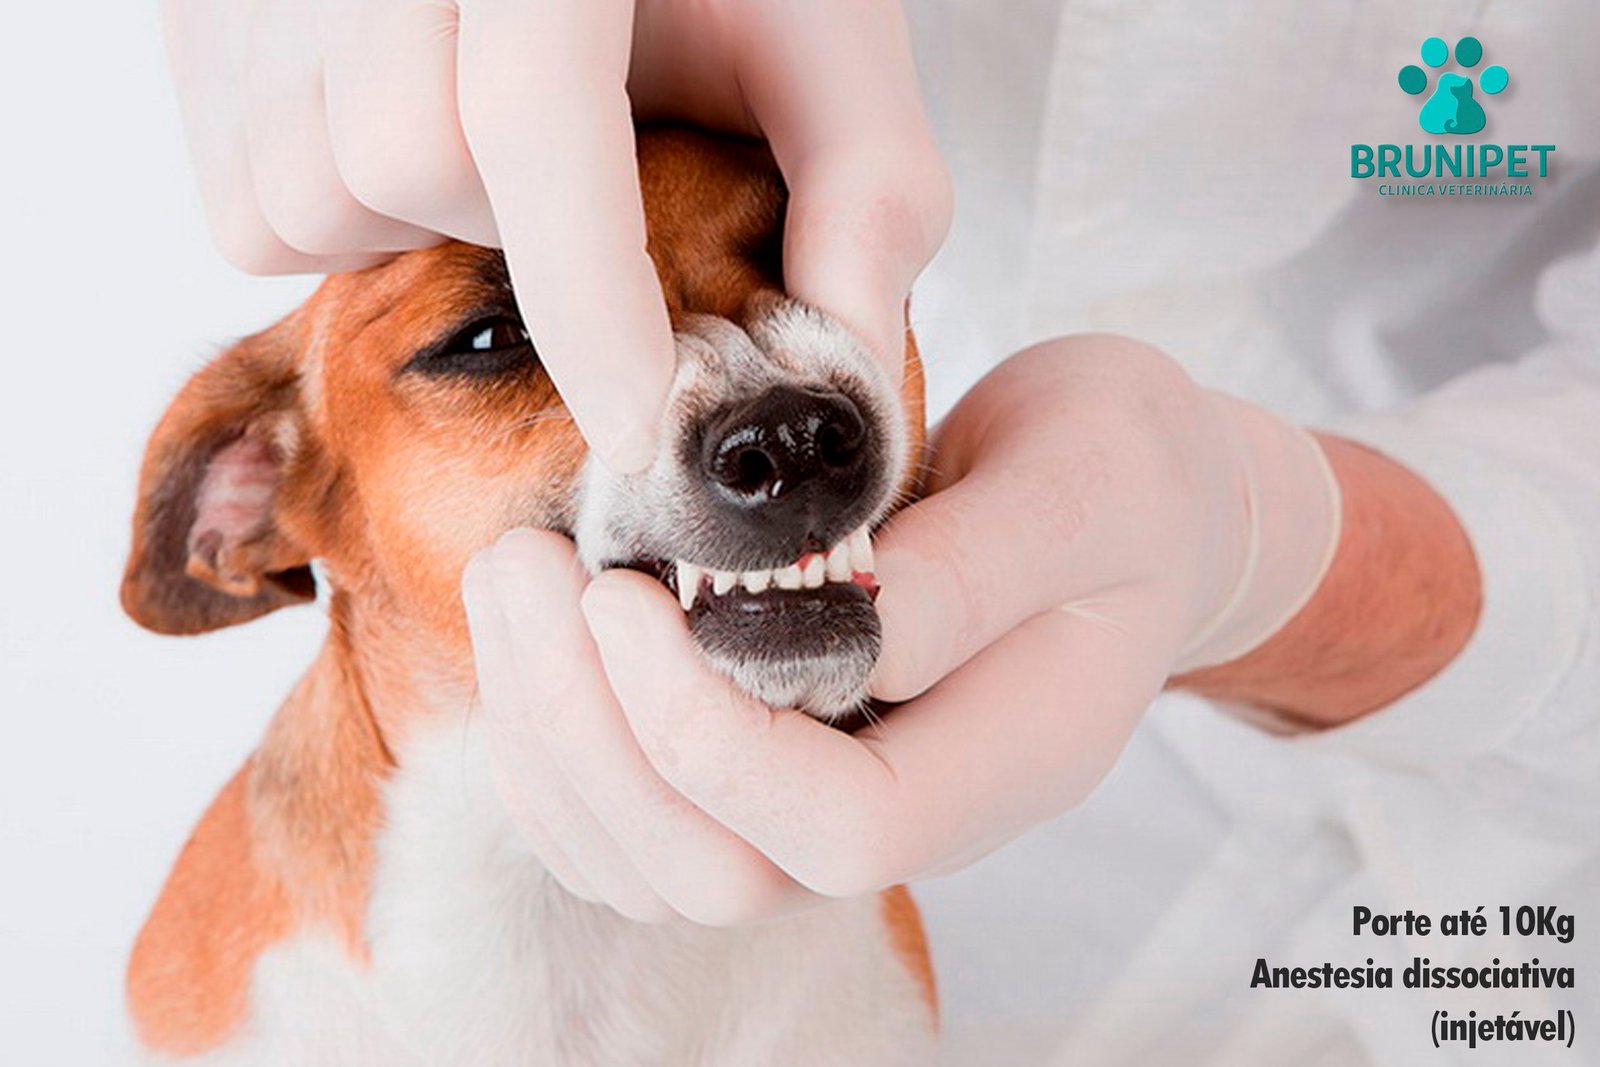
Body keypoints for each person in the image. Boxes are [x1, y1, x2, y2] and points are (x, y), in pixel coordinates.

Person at [165, 0, 1600, 1061]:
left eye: (783, 256)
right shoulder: (205, 1007)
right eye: (491, 340)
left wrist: (1287, 549)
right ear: (255, 515)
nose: (774, 416)